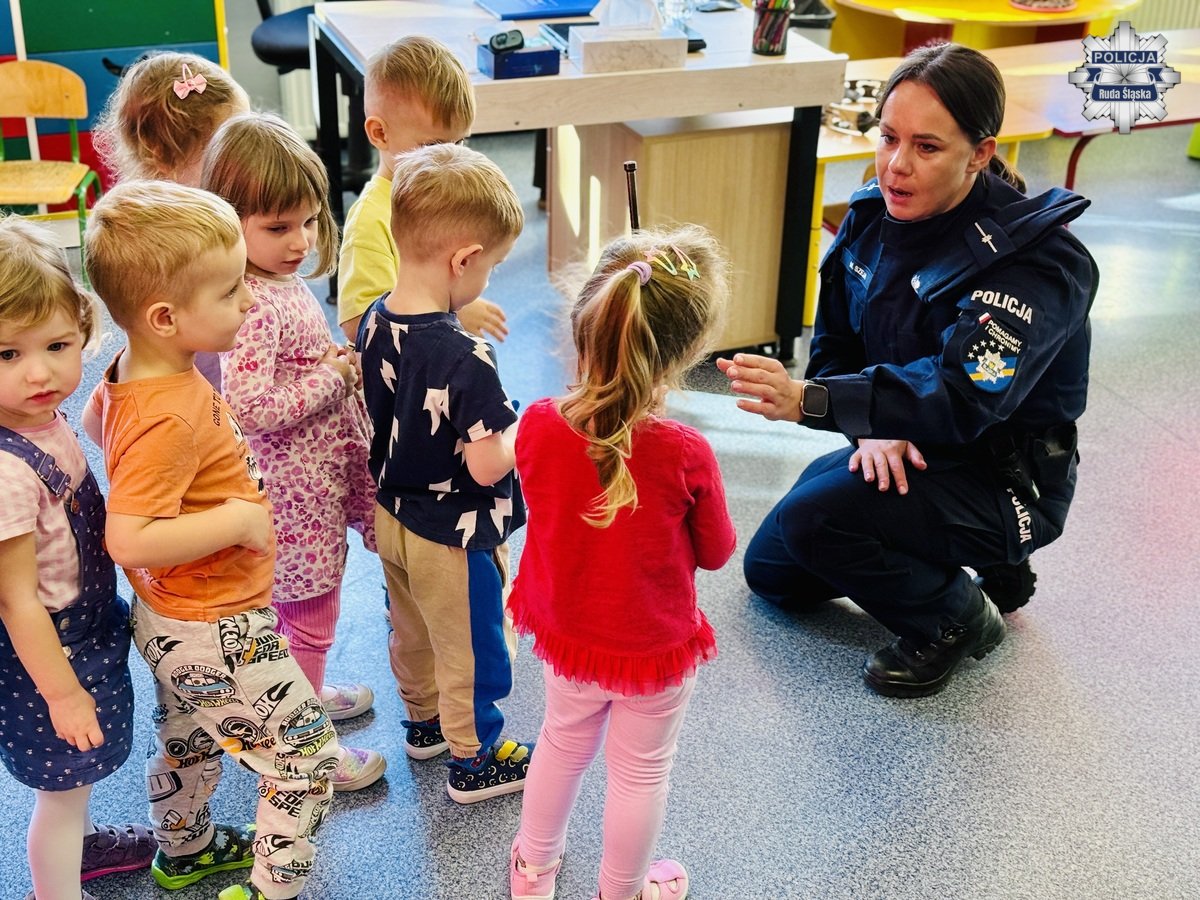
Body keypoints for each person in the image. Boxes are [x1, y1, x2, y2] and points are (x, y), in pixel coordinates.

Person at [718, 42, 1099, 698]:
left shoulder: (1038, 265)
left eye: (927, 147)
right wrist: (870, 428)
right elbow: (836, 350)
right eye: (888, 137)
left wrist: (813, 402)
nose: (896, 166)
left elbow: (959, 397)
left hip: (1004, 475)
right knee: (774, 575)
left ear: (980, 153)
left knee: (821, 521)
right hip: (908, 443)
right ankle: (964, 560)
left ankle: (956, 619)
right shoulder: (872, 220)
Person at [83, 181, 339, 900]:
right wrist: (236, 521)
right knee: (308, 758)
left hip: (175, 622)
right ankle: (272, 888)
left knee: (191, 736)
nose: (250, 302)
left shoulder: (139, 374)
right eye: (230, 292)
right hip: (218, 625)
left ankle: (186, 848)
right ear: (166, 317)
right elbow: (129, 537)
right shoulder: (172, 412)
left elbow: (99, 424)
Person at [507, 225, 736, 900]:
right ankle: (623, 890)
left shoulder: (541, 423)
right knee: (641, 774)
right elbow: (718, 553)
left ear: (590, 322)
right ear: (685, 349)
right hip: (651, 649)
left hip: (567, 636)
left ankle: (532, 875)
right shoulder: (685, 451)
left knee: (560, 746)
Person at [200, 111, 386, 792]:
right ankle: (305, 746)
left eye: (308, 222)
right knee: (308, 615)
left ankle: (299, 701)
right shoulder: (253, 303)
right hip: (291, 499)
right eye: (278, 228)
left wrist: (323, 366)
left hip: (311, 487)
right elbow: (251, 407)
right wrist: (332, 376)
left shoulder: (275, 286)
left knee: (300, 621)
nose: (300, 241)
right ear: (228, 222)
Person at [356, 142, 532, 802]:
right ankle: (474, 757)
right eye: (492, 266)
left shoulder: (375, 317)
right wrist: (522, 427)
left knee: (413, 632)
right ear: (463, 259)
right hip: (453, 536)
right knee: (472, 649)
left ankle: (425, 726)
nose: (489, 280)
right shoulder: (466, 355)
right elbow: (488, 466)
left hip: (392, 517)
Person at [0, 216, 155, 900]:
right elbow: (14, 598)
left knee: (76, 775)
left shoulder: (38, 416)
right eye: (5, 354)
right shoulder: (6, 470)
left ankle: (80, 853)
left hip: (81, 630)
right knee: (58, 794)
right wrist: (61, 693)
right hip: (48, 651)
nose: (39, 372)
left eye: (57, 345)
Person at [93, 50, 251, 391]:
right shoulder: (156, 228)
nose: (243, 155)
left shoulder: (216, 195)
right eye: (224, 147)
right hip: (195, 365)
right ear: (160, 153)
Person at [337, 35, 507, 346]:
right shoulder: (371, 220)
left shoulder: (440, 196)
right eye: (433, 146)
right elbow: (356, 322)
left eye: (459, 143)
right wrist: (450, 315)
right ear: (380, 133)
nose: (450, 158)